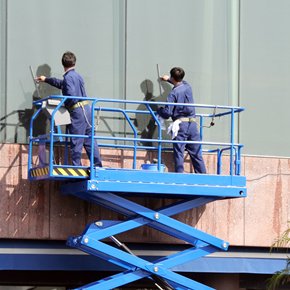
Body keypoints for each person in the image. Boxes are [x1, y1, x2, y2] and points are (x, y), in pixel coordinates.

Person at [36, 51, 102, 167]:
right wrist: (46, 79)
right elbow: (62, 84)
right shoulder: (77, 76)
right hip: (87, 110)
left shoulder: (68, 78)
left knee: (76, 142)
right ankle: (98, 166)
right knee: (89, 140)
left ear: (62, 63)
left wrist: (64, 104)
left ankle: (76, 168)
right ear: (74, 63)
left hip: (78, 113)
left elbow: (70, 95)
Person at [157, 67, 206, 174]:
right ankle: (203, 177)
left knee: (179, 152)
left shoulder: (173, 94)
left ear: (172, 77)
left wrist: (159, 110)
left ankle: (180, 177)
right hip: (192, 124)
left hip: (181, 126)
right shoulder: (188, 86)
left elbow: (167, 113)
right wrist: (169, 80)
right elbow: (179, 82)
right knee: (196, 153)